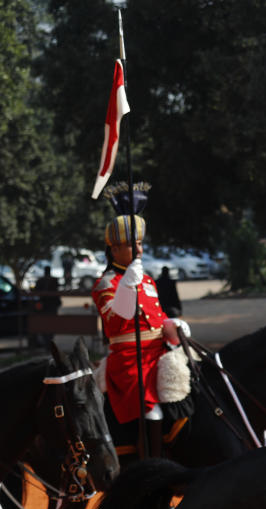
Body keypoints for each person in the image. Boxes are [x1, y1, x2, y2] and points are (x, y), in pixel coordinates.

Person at [92, 182, 190, 457]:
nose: (139, 250)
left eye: (139, 243)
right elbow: (119, 317)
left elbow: (156, 321)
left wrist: (174, 326)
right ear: (114, 250)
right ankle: (151, 461)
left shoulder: (146, 280)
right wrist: (126, 286)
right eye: (132, 244)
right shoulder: (106, 282)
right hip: (129, 358)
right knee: (153, 408)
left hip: (157, 350)